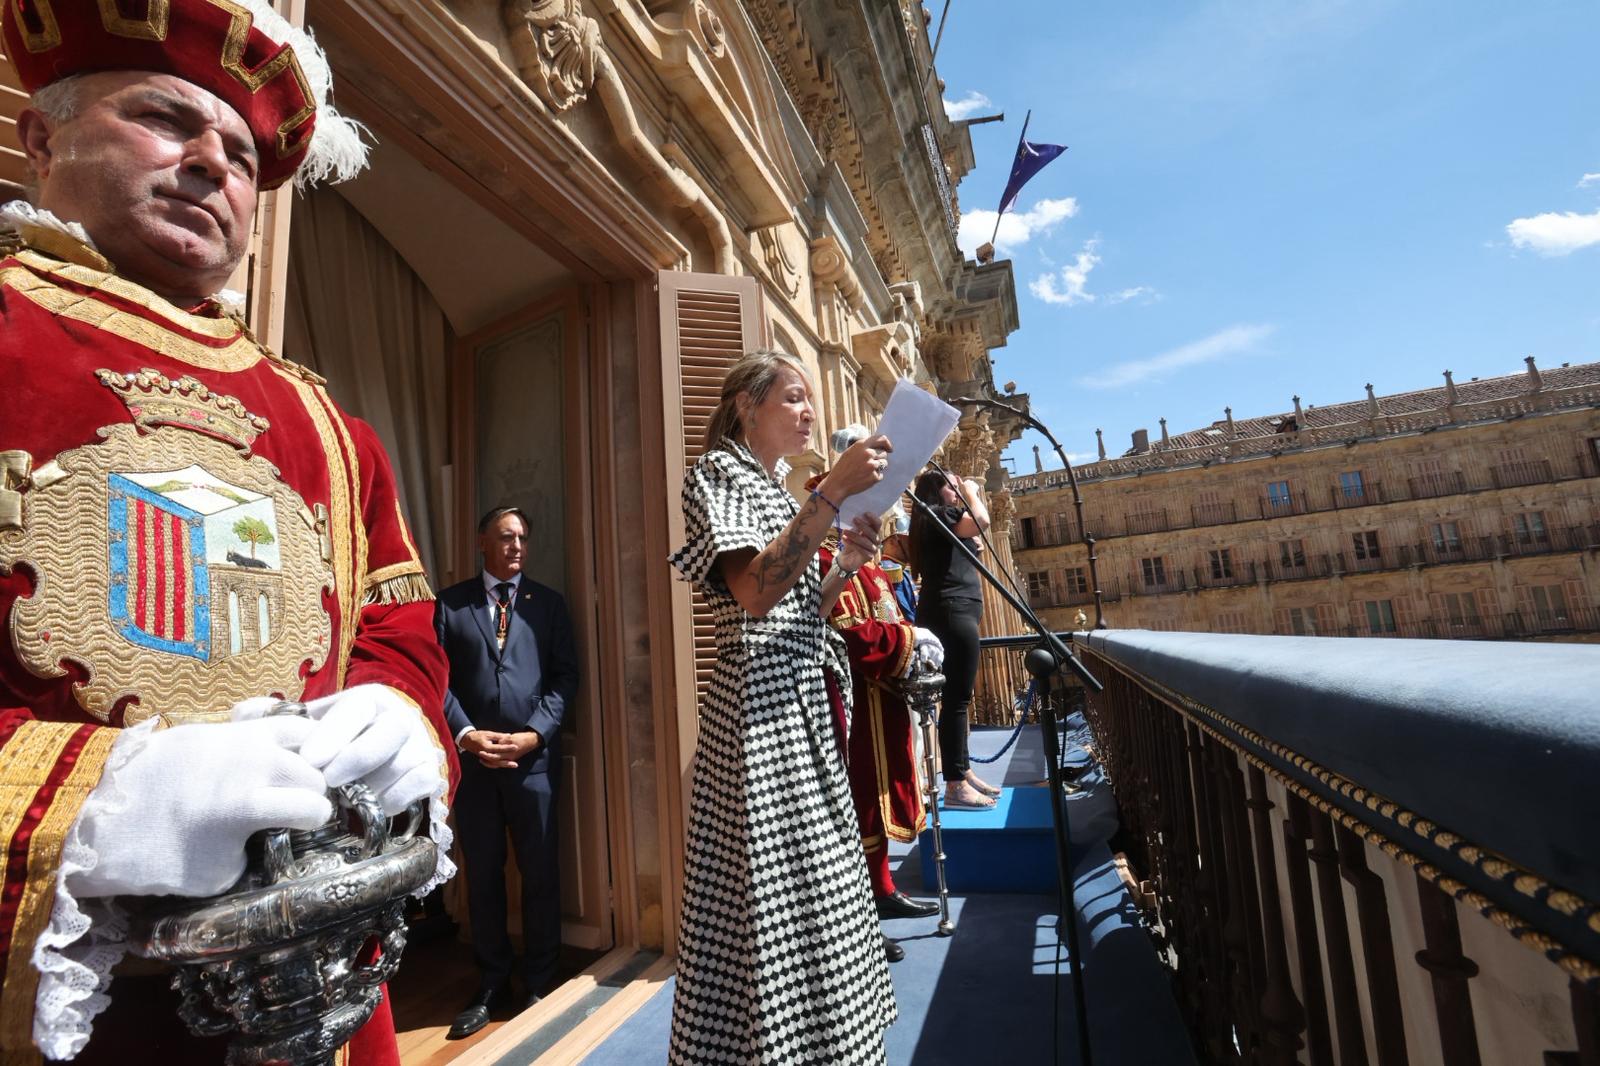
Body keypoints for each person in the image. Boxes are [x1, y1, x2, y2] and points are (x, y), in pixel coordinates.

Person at [0, 3, 458, 1063]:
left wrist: (397, 720)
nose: (211, 163)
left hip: (318, 999)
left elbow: (401, 632)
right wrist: (100, 802)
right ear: (41, 137)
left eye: (244, 157)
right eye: (167, 118)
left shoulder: (330, 429)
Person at [667, 351, 897, 1064]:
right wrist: (829, 498)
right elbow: (754, 594)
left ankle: (832, 1044)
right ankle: (768, 1050)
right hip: (758, 720)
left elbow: (800, 606)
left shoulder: (776, 487)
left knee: (819, 891)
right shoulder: (716, 475)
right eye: (794, 398)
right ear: (745, 403)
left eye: (809, 400)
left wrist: (847, 566)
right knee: (773, 899)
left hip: (799, 705)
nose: (809, 412)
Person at [434, 506, 579, 1038]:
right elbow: (438, 680)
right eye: (505, 537)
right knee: (485, 877)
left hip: (532, 763)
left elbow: (566, 679)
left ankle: (540, 982)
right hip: (474, 766)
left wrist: (534, 733)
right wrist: (468, 735)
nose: (516, 546)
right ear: (482, 542)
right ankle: (492, 982)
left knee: (540, 874)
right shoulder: (450, 605)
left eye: (522, 538)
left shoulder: (549, 605)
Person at [910, 469, 1000, 809]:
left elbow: (973, 539)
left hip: (956, 609)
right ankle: (955, 783)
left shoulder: (939, 520)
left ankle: (961, 771)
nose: (959, 488)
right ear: (937, 491)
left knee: (959, 699)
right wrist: (974, 491)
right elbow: (980, 522)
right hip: (952, 609)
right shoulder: (936, 513)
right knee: (957, 699)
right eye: (953, 485)